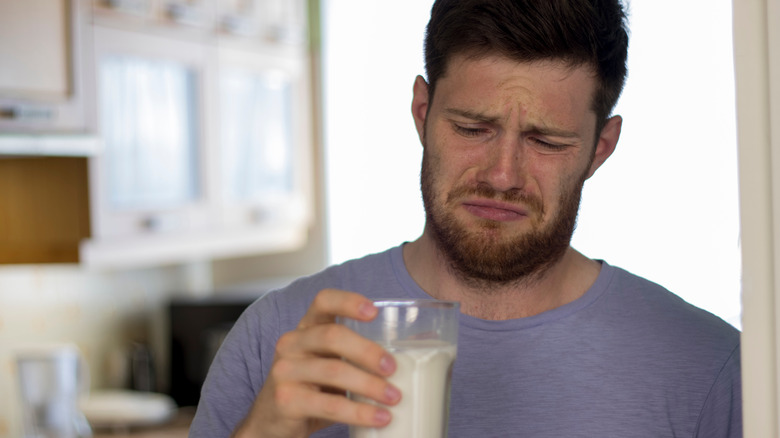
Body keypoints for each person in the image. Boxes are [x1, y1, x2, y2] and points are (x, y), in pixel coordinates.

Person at [190, 0, 742, 436]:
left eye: (546, 140)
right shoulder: (280, 339)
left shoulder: (713, 371)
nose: (503, 175)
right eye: (473, 129)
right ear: (422, 115)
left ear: (600, 148)